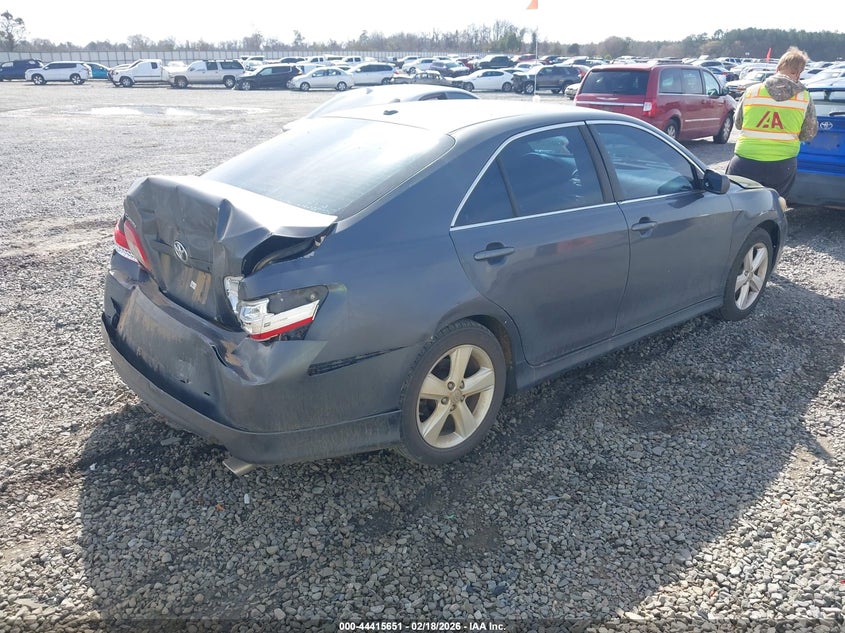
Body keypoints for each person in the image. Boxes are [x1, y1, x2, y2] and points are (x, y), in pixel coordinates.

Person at [726, 46, 817, 197]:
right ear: (798, 73)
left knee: (737, 205)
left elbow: (738, 123)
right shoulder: (804, 97)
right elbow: (809, 133)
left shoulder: (752, 91)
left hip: (746, 159)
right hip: (782, 164)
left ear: (778, 67)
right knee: (774, 206)